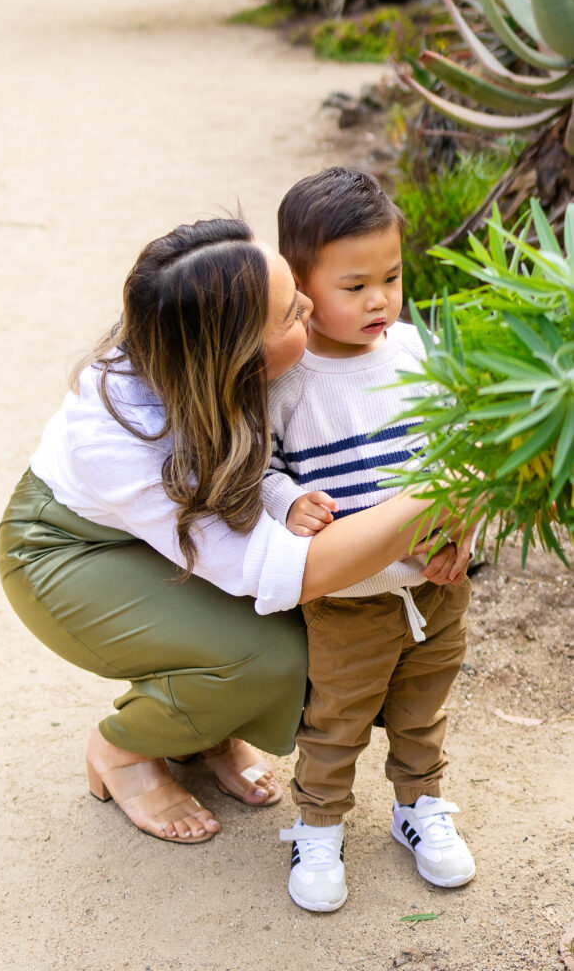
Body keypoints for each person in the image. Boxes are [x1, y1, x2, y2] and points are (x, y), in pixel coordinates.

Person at [0, 215, 464, 848]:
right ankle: (124, 751)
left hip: (175, 530)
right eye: (291, 314)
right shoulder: (127, 437)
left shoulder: (213, 342)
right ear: (238, 354)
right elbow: (284, 573)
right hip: (69, 547)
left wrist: (448, 523)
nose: (309, 304)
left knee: (334, 629)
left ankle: (207, 730)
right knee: (274, 659)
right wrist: (439, 500)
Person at [263, 168, 476, 911]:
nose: (379, 299)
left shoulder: (419, 353)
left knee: (423, 707)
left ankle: (419, 807)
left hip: (436, 585)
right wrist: (287, 501)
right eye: (353, 285)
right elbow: (259, 466)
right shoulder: (287, 379)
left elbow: (463, 452)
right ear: (299, 284)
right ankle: (316, 826)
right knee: (337, 718)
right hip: (348, 599)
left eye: (390, 276)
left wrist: (463, 531)